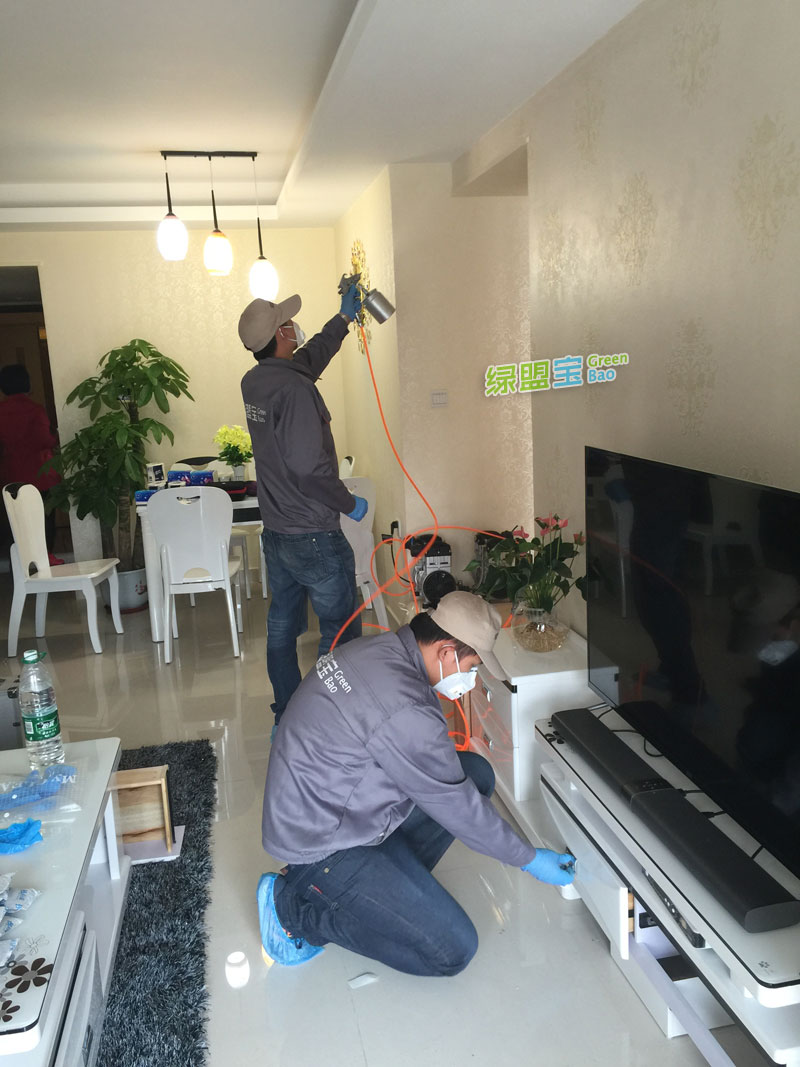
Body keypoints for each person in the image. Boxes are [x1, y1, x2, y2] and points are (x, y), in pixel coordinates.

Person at [257, 590, 576, 975]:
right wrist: (529, 859)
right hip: (320, 844)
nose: (472, 679)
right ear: (446, 652)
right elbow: (456, 805)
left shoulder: (381, 650)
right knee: (452, 950)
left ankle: (383, 889)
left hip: (323, 804)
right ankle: (296, 912)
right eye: (472, 667)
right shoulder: (403, 706)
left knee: (474, 775)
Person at [239, 284, 368, 733]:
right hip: (313, 534)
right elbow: (309, 469)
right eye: (287, 323)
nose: (294, 325)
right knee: (340, 627)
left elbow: (307, 361)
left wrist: (343, 319)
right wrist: (349, 503)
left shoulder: (256, 381)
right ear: (281, 336)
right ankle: (326, 720)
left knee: (282, 625)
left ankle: (287, 715)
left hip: (277, 533)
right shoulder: (295, 390)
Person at [0, 363, 62, 562]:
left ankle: (21, 562)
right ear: (27, 383)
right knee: (44, 518)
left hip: (11, 474)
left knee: (18, 522)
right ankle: (46, 558)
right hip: (40, 473)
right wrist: (56, 436)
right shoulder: (35, 410)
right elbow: (45, 440)